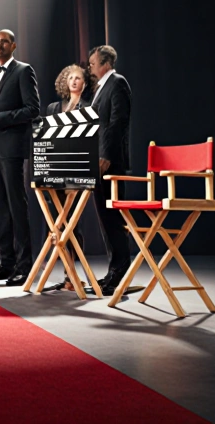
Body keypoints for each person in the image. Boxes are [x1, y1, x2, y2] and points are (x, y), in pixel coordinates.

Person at [0, 30, 40, 285]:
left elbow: (33, 109)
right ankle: (7, 264)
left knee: (16, 207)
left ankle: (25, 267)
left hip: (12, 149)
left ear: (13, 45)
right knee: (0, 209)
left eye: (4, 41)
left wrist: (0, 118)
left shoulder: (24, 71)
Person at [43, 63, 95, 292]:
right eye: (71, 77)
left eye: (79, 78)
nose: (74, 81)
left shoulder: (89, 107)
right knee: (56, 224)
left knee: (74, 224)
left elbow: (87, 143)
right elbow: (46, 141)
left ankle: (73, 275)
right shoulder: (53, 107)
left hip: (77, 171)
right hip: (54, 171)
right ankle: (66, 275)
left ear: (85, 83)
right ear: (64, 80)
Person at [88, 44, 132, 295]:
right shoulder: (100, 87)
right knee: (105, 217)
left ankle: (120, 271)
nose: (90, 65)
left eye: (93, 61)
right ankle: (113, 270)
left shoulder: (117, 82)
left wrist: (106, 154)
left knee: (113, 217)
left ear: (105, 62)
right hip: (98, 159)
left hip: (109, 160)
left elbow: (117, 122)